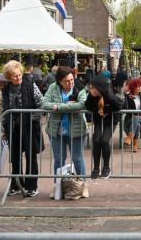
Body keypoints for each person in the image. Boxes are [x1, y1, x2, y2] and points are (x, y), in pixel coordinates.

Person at [41, 66, 88, 198]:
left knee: (77, 159)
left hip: (76, 129)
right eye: (67, 81)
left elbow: (82, 104)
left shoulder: (80, 87)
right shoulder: (53, 88)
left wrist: (58, 107)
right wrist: (67, 106)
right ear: (60, 81)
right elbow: (44, 103)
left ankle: (83, 185)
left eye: (72, 79)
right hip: (56, 130)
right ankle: (58, 187)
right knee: (59, 159)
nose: (70, 83)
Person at [1, 60, 44, 197]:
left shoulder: (30, 85)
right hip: (13, 128)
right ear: (9, 77)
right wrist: (4, 128)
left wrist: (33, 117)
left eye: (19, 75)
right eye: (14, 76)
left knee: (31, 157)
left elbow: (41, 103)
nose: (18, 77)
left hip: (29, 127)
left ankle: (32, 186)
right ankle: (16, 184)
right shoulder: (6, 90)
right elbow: (4, 109)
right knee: (15, 158)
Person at [85, 75, 123, 179]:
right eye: (90, 87)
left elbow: (120, 105)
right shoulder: (91, 96)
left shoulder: (109, 95)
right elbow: (87, 105)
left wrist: (106, 111)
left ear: (99, 88)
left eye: (92, 88)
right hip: (99, 120)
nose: (91, 90)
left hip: (110, 121)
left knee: (105, 141)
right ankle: (96, 168)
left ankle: (106, 168)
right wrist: (98, 110)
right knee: (96, 140)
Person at [122, 78, 141, 152]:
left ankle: (130, 137)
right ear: (133, 87)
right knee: (136, 122)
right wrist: (138, 113)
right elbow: (126, 108)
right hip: (131, 118)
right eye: (138, 87)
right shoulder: (128, 96)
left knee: (136, 118)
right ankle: (135, 143)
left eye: (140, 86)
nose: (140, 88)